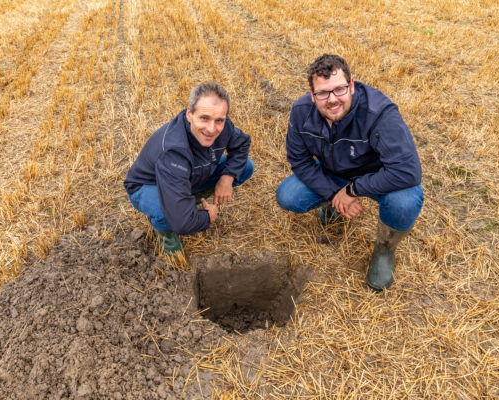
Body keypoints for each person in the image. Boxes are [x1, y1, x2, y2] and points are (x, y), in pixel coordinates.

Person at [276, 54, 423, 291]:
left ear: (351, 85)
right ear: (312, 95)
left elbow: (407, 171)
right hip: (334, 174)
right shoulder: (301, 112)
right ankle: (333, 205)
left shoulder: (379, 113)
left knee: (404, 202)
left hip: (379, 177)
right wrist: (335, 193)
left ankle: (385, 249)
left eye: (339, 89)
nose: (332, 99)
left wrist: (353, 190)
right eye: (322, 93)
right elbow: (299, 161)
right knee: (288, 196)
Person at [124, 82, 254, 256]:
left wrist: (227, 177)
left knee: (245, 167)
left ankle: (190, 201)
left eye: (219, 120)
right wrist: (207, 217)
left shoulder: (222, 126)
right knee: (169, 214)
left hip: (190, 175)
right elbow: (182, 224)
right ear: (189, 114)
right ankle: (166, 234)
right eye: (204, 118)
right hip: (148, 185)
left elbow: (242, 144)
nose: (211, 129)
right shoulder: (174, 151)